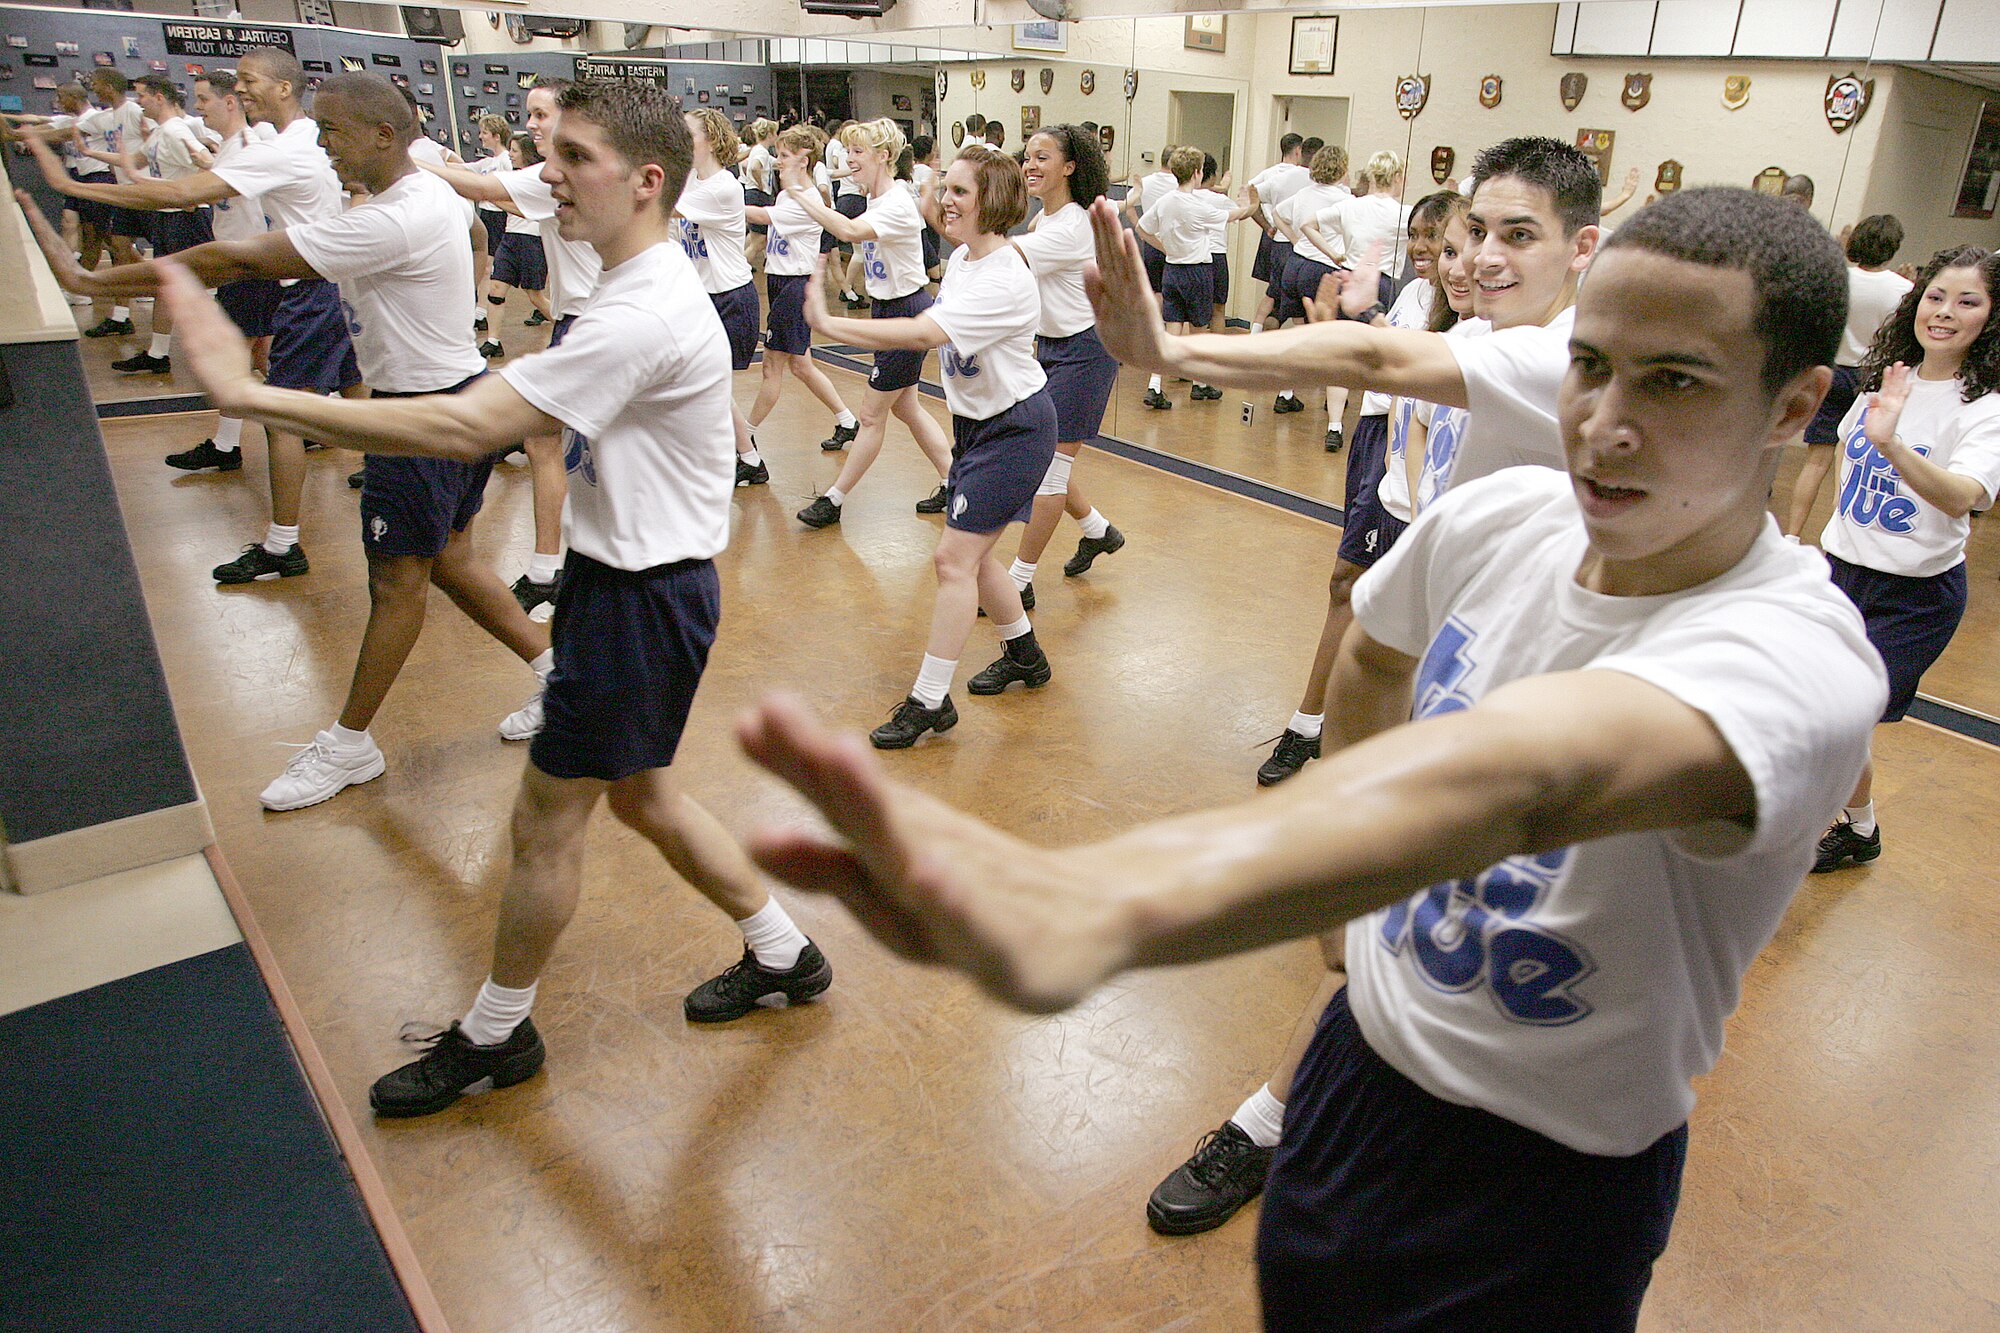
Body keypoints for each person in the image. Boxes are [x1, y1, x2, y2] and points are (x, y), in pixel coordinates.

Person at [736, 185, 1886, 1331]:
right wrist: (1355, 900)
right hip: (1355, 1070)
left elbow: (1525, 778)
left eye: (1673, 382)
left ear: (1793, 405)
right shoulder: (1498, 522)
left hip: (1545, 1171)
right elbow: (1375, 660)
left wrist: (1102, 900)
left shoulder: (1799, 657)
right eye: (1589, 365)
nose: (1604, 421)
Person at [157, 79, 833, 1116]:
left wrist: (251, 397)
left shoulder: (643, 309)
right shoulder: (622, 288)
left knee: (543, 823)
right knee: (643, 796)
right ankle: (785, 953)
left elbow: (463, 426)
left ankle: (494, 1032)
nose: (548, 175)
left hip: (642, 601)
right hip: (631, 586)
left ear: (646, 181)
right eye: (549, 153)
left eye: (574, 159)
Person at [1244, 136, 1599, 789]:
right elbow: (1407, 386)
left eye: (1511, 238)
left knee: (1377, 619)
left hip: (1503, 618)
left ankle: (1335, 753)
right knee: (1364, 606)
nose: (1475, 262)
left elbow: (1384, 364)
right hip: (1410, 494)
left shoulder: (1549, 355)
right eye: (1462, 244)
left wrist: (1170, 355)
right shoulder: (1456, 325)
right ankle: (1334, 757)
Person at [27, 47, 359, 586]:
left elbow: (185, 191)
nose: (240, 89)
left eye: (249, 81)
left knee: (283, 421)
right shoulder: (278, 143)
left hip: (311, 288)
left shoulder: (289, 148)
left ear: (282, 89)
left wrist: (69, 187)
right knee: (353, 385)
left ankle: (283, 546)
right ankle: (394, 474)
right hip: (316, 283)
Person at [803, 144, 1057, 749]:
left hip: (1016, 429)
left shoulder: (1004, 276)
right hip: (979, 426)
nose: (945, 200)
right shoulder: (968, 260)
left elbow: (925, 332)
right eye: (946, 189)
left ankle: (929, 701)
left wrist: (836, 326)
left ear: (991, 201)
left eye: (960, 191)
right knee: (978, 554)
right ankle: (1024, 652)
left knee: (953, 562)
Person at [1813, 246, 2000, 874]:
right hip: (1842, 575)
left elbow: (1964, 498)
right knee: (1826, 714)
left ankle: (1837, 825)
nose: (1944, 312)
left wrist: (1892, 446)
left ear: (1991, 317)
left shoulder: (1986, 405)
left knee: (1842, 720)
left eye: (1967, 301)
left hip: (1913, 596)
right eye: (1936, 296)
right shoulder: (1888, 376)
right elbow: (1846, 456)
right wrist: (1831, 541)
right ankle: (1856, 827)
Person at [422, 77, 605, 620]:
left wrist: (411, 163)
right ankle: (554, 569)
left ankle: (570, 572)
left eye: (541, 114)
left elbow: (480, 189)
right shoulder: (557, 172)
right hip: (578, 319)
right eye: (529, 114)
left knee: (564, 446)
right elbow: (488, 186)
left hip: (595, 324)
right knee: (550, 444)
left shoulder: (565, 172)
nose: (532, 124)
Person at [782, 117, 954, 527]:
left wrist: (797, 192)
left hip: (904, 313)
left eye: (858, 152)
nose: (850, 159)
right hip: (887, 309)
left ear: (884, 156)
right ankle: (953, 480)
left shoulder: (896, 204)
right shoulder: (879, 200)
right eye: (849, 151)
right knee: (907, 407)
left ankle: (834, 499)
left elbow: (846, 229)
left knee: (873, 415)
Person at [996, 123, 1125, 608]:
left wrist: (958, 220)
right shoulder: (1044, 222)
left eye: (1043, 157)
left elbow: (1001, 258)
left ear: (1069, 167)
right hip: (1051, 349)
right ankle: (1096, 530)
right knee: (1046, 452)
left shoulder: (1071, 226)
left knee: (1046, 469)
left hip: (1086, 352)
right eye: (1027, 156)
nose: (1030, 164)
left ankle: (1019, 581)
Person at [157, 69, 281, 475]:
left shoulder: (250, 146)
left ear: (230, 102)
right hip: (242, 266)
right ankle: (317, 416)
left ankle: (227, 444)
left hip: (250, 265)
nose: (197, 107)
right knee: (263, 353)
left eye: (204, 99)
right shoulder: (229, 148)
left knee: (234, 356)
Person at [1784, 213, 1914, 538]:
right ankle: (1840, 536)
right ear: (1893, 247)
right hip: (1872, 377)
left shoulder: (1838, 278)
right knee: (1848, 463)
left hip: (1834, 371)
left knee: (1816, 461)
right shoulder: (1905, 289)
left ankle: (1793, 534)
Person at [742, 124, 859, 485]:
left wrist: (719, 200)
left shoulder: (806, 199)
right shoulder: (786, 195)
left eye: (785, 156)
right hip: (780, 280)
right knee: (802, 365)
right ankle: (846, 420)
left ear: (804, 160)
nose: (777, 161)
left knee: (772, 367)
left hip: (795, 285)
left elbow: (760, 218)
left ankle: (743, 436)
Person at [677, 108, 766, 487]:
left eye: (688, 134)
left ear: (710, 139)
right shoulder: (692, 183)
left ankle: (746, 457)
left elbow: (664, 206)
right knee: (701, 386)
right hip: (701, 299)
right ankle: (745, 456)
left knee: (709, 386)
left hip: (730, 299)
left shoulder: (724, 186)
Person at [1133, 146, 1253, 408]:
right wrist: (1249, 204)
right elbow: (1233, 215)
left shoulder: (1165, 201)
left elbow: (1142, 228)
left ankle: (1155, 385)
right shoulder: (1199, 205)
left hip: (1172, 270)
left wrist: (1165, 247)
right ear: (1197, 173)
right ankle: (1199, 383)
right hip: (1197, 271)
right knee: (1199, 331)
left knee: (1172, 332)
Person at [1272, 144, 1353, 428]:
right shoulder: (1344, 198)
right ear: (1342, 169)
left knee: (1301, 335)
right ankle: (1333, 401)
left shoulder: (1304, 193)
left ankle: (1286, 392)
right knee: (1329, 340)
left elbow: (1277, 215)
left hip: (1295, 265)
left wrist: (1295, 240)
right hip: (1323, 269)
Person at [71, 68, 147, 336]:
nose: (94, 88)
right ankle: (120, 316)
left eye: (97, 84)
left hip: (150, 193)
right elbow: (68, 129)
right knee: (119, 249)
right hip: (127, 192)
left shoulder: (134, 111)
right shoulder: (108, 117)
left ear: (110, 86)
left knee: (169, 257)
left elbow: (156, 138)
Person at [484, 134, 552, 335]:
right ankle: (492, 341)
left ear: (527, 153)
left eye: (514, 151)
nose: (511, 155)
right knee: (496, 288)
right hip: (510, 236)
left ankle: (571, 335)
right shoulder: (515, 177)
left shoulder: (539, 179)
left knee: (535, 296)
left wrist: (489, 196)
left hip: (532, 239)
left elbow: (527, 211)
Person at [1245, 134, 1309, 333]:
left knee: (1273, 293)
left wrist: (1266, 225)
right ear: (1298, 150)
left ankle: (1257, 334)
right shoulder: (1307, 177)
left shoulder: (1269, 174)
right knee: (1297, 299)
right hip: (1297, 242)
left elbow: (1248, 194)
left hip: (1273, 238)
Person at [740, 117, 777, 271]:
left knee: (756, 237)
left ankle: (739, 260)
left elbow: (746, 164)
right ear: (769, 134)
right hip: (758, 195)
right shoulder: (761, 151)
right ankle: (740, 267)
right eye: (775, 133)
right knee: (760, 240)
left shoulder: (758, 150)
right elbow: (754, 167)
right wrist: (761, 185)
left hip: (753, 194)